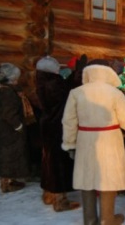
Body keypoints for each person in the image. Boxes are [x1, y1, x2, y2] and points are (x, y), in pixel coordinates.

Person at [62, 61, 125, 225]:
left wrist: (70, 143)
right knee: (108, 179)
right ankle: (107, 219)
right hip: (109, 140)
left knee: (87, 180)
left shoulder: (76, 93)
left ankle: (89, 220)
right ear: (107, 73)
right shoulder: (114, 93)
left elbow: (68, 121)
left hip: (85, 140)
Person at [35, 55, 80, 212]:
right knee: (58, 163)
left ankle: (48, 194)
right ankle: (60, 200)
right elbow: (69, 92)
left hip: (47, 124)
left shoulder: (41, 80)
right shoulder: (54, 82)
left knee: (48, 160)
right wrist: (76, 74)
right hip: (57, 126)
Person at [0, 63, 30, 193]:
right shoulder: (8, 93)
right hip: (8, 130)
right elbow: (8, 113)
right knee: (8, 155)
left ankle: (10, 180)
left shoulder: (7, 90)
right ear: (11, 78)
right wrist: (18, 126)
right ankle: (6, 184)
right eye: (16, 76)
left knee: (11, 155)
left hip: (5, 129)